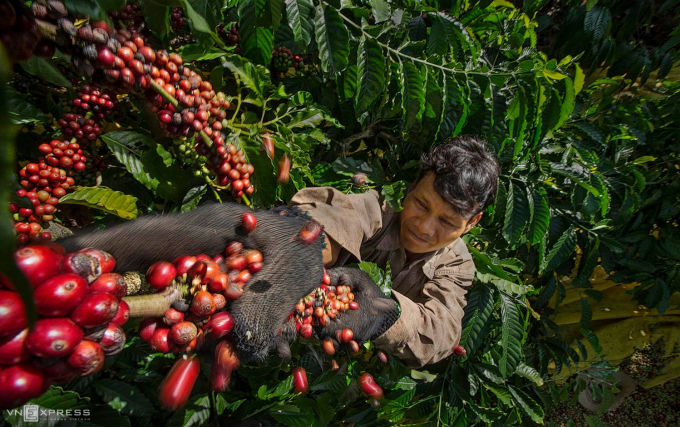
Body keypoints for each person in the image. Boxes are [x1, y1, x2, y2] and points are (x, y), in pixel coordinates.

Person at [60, 136, 500, 367]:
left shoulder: (456, 265)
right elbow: (341, 217)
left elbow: (442, 335)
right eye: (421, 204)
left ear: (472, 224)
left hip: (319, 362)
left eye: (446, 222)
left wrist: (383, 312)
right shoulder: (376, 210)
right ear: (409, 188)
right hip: (260, 302)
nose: (423, 227)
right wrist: (303, 245)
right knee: (224, 230)